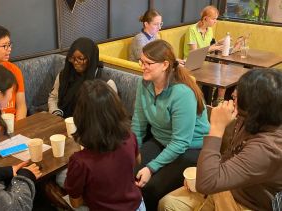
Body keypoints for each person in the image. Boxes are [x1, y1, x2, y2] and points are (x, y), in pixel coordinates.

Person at [158, 69, 282, 211]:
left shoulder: (268, 148)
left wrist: (216, 127)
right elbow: (230, 154)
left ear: (257, 106)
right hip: (228, 187)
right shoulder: (249, 118)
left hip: (246, 203)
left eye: (241, 91)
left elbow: (206, 183)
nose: (234, 94)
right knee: (166, 203)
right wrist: (202, 173)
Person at [132, 40, 210, 210]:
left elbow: (180, 141)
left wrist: (150, 168)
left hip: (190, 148)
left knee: (151, 187)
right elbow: (138, 125)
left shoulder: (182, 93)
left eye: (148, 63)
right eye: (141, 61)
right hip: (161, 139)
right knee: (128, 171)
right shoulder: (144, 84)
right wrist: (132, 153)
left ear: (165, 65)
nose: (142, 66)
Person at [64, 79, 145, 210]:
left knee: (57, 188)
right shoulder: (130, 137)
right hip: (137, 206)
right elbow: (137, 161)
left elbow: (76, 203)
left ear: (81, 117)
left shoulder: (79, 161)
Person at [48, 37, 116, 118]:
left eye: (80, 58)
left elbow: (110, 116)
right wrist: (56, 114)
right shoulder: (64, 75)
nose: (75, 62)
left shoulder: (106, 83)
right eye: (72, 58)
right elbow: (53, 98)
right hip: (63, 121)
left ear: (90, 58)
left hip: (92, 126)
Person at [183, 5, 226, 106]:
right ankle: (204, 104)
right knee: (215, 72)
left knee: (222, 70)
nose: (216, 21)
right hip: (191, 63)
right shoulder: (192, 30)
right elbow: (195, 52)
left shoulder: (209, 30)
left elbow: (208, 47)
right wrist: (213, 48)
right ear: (205, 18)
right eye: (214, 19)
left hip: (204, 61)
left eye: (217, 19)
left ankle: (215, 102)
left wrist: (219, 42)